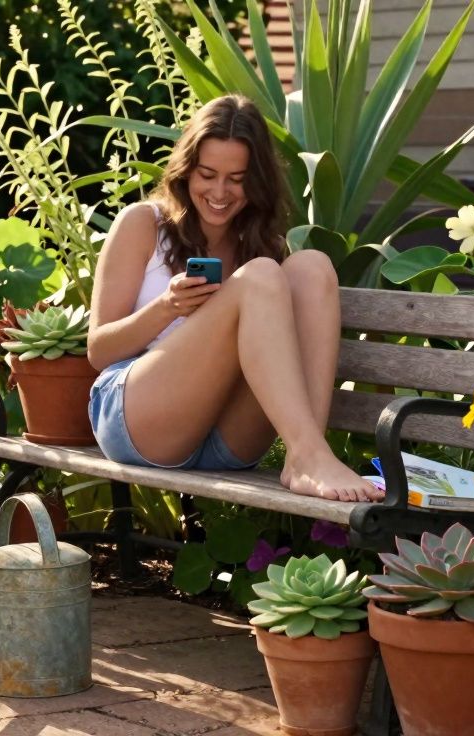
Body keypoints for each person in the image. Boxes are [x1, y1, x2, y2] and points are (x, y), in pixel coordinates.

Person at [86, 94, 383, 503]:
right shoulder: (143, 223)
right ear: (186, 170)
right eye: (207, 174)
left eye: (237, 178)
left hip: (226, 439)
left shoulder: (262, 246)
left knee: (311, 267)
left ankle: (306, 455)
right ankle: (310, 452)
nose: (220, 192)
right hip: (139, 420)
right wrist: (167, 308)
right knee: (261, 276)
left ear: (256, 180)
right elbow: (99, 351)